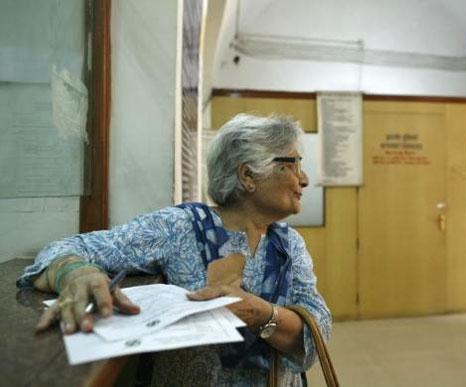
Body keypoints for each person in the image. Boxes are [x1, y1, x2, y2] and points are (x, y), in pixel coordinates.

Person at [17, 113, 331, 386]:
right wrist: (76, 272)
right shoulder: (180, 227)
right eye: (291, 165)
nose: (303, 179)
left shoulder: (288, 244)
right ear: (248, 175)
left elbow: (318, 331)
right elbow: (66, 247)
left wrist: (262, 313)